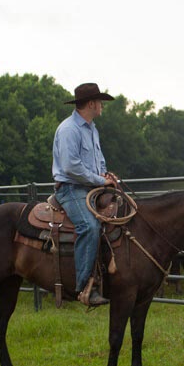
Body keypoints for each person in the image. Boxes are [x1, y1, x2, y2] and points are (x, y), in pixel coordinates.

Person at [52, 82, 117, 306]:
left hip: (91, 187)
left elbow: (98, 161)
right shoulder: (69, 129)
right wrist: (101, 180)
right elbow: (71, 167)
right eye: (100, 102)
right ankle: (84, 287)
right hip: (71, 189)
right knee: (89, 227)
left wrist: (105, 175)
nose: (102, 106)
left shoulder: (91, 129)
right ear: (91, 104)